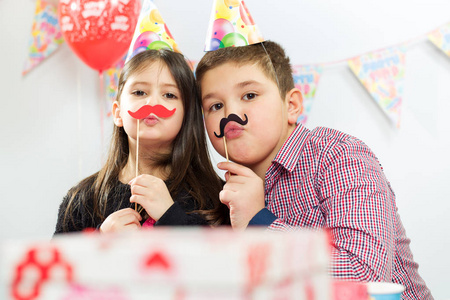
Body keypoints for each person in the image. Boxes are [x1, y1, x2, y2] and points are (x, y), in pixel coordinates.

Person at [195, 40, 432, 299]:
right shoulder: (229, 196)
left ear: (292, 105)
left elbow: (364, 277)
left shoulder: (338, 156)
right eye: (215, 106)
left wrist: (259, 221)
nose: (231, 113)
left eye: (249, 95)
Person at [55, 49, 230, 235]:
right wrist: (100, 240)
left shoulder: (217, 197)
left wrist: (171, 216)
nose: (152, 102)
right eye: (139, 92)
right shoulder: (81, 200)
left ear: (186, 115)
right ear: (117, 113)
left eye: (169, 95)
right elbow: (56, 261)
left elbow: (223, 260)